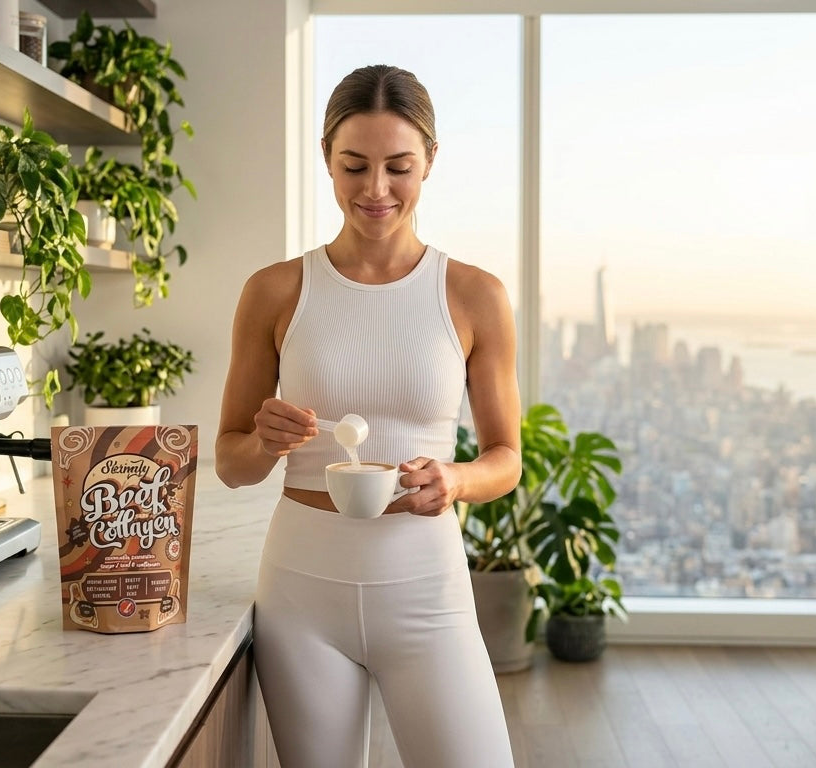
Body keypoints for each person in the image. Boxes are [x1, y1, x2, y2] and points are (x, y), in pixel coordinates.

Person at [215, 64, 521, 768]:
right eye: (354, 166)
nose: (376, 189)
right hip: (302, 592)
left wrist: (455, 480)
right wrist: (264, 442)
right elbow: (232, 463)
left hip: (427, 589)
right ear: (327, 157)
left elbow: (506, 459)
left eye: (398, 167)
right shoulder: (275, 291)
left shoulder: (475, 295)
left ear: (430, 161)